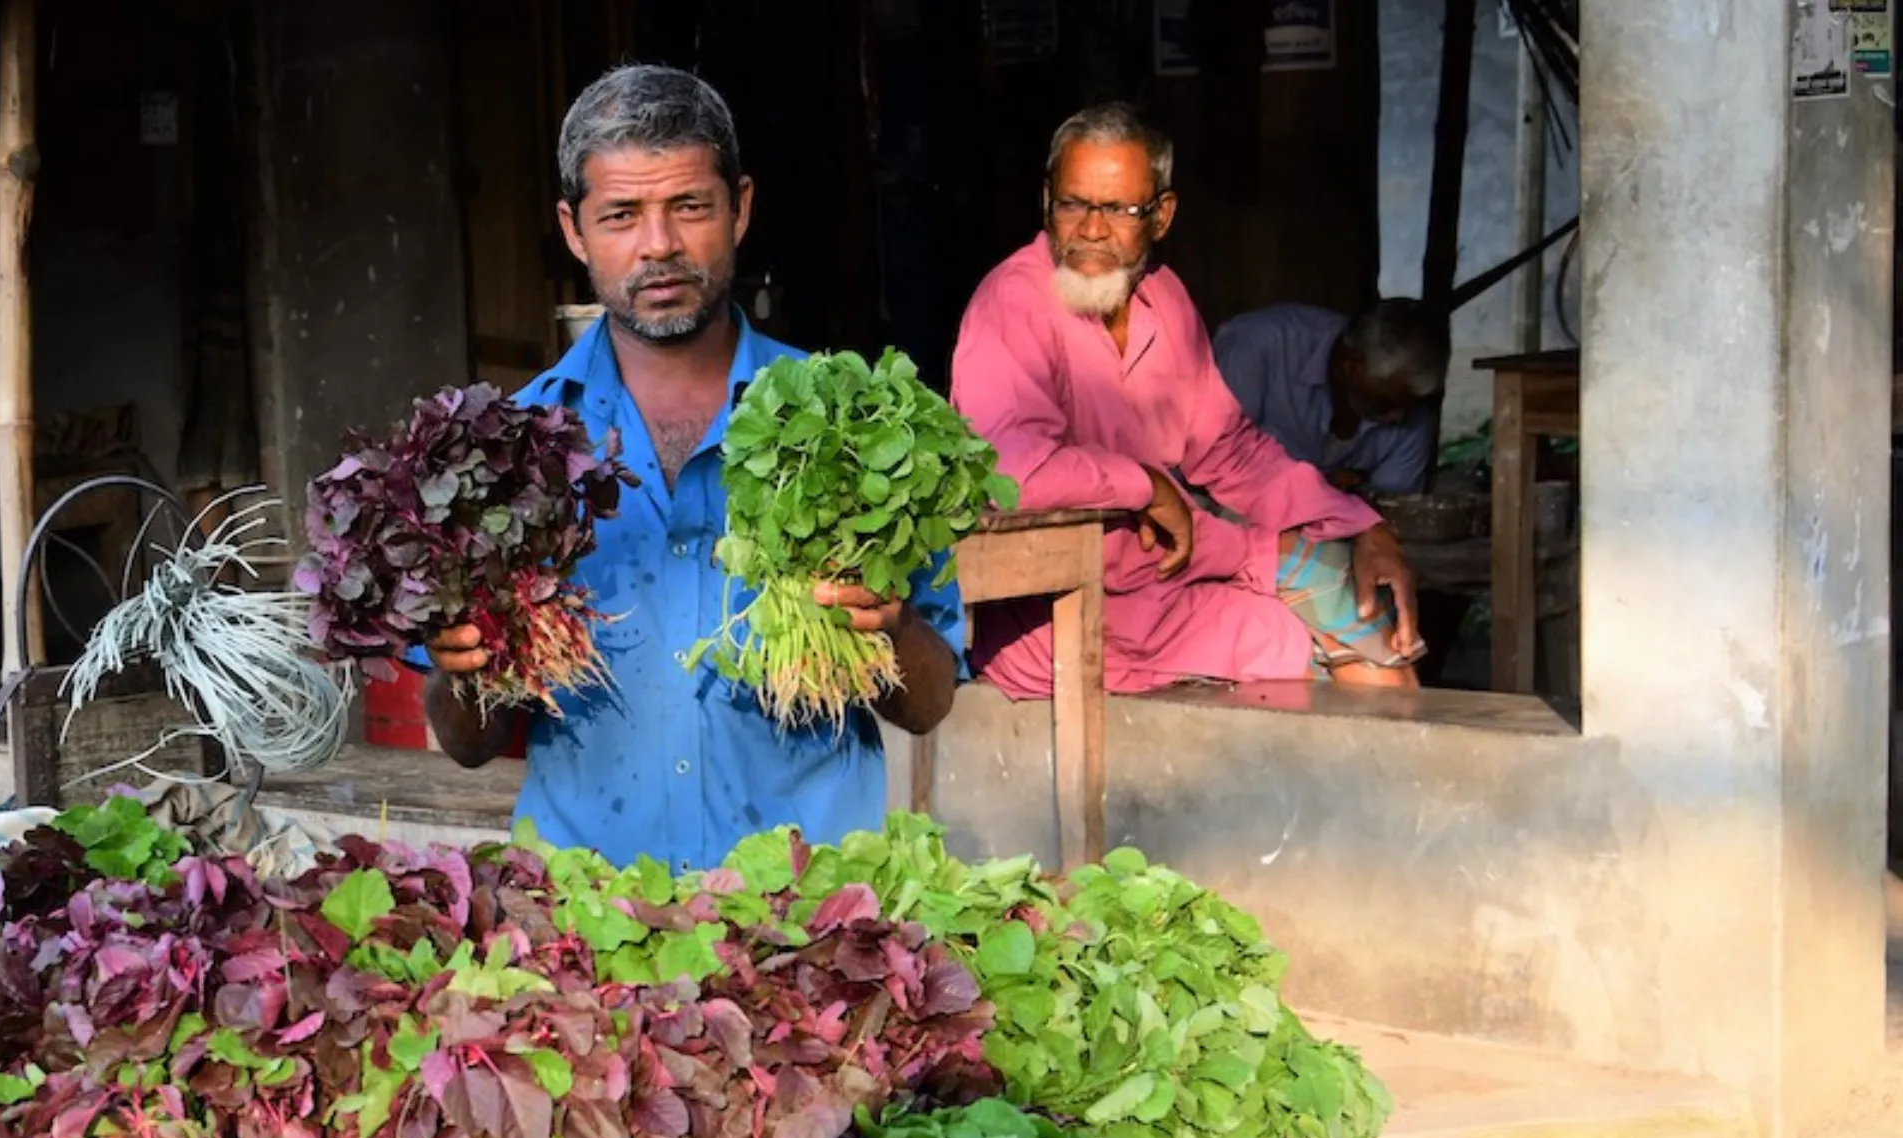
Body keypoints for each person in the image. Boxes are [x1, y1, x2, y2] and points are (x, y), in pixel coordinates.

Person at [417, 65, 966, 872]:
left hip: (813, 906)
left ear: (740, 207)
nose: (659, 245)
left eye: (689, 207)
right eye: (621, 215)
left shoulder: (851, 428)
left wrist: (887, 626)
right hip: (590, 911)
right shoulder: (509, 452)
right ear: (574, 230)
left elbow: (928, 705)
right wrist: (464, 667)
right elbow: (469, 746)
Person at [950, 102, 1422, 695]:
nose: (1092, 230)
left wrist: (1363, 525)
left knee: (1374, 637)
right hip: (1066, 626)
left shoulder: (1164, 299)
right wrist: (1145, 484)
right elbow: (1009, 474)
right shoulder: (1011, 303)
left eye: (1120, 209)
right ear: (1046, 200)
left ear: (1161, 216)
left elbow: (1231, 453)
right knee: (1354, 670)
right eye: (1073, 204)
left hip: (1174, 586)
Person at [1213, 298, 1447, 496]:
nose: (1399, 416)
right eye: (1387, 403)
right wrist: (1321, 493)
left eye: (1410, 405)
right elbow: (1216, 460)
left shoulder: (1412, 413)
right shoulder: (1259, 345)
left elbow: (1394, 508)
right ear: (1354, 368)